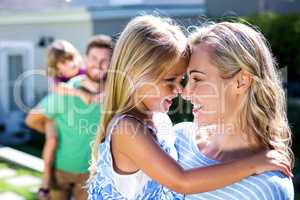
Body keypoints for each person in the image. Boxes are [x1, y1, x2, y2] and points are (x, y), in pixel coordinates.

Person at [87, 15, 291, 200]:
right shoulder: (133, 130)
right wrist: (253, 164)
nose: (182, 91)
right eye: (170, 80)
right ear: (137, 74)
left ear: (241, 82)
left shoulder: (161, 123)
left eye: (192, 79)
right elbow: (182, 181)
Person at [173, 21, 294, 199]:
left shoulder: (267, 186)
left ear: (241, 82)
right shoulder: (176, 141)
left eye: (197, 79)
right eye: (187, 80)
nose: (185, 93)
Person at [25, 35, 113, 200]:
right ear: (86, 58)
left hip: (94, 173)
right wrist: (52, 128)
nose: (99, 64)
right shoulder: (65, 90)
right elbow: (31, 119)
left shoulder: (115, 94)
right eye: (94, 58)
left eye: (105, 60)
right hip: (61, 170)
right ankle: (45, 182)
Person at [34, 39, 91, 199]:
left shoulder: (84, 72)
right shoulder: (58, 80)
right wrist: (80, 93)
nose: (70, 64)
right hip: (55, 116)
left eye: (71, 58)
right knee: (51, 141)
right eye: (63, 62)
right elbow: (57, 89)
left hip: (69, 117)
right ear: (56, 67)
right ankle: (45, 178)